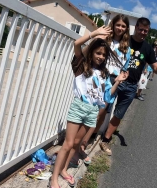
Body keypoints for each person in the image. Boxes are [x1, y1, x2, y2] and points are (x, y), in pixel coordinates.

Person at [49, 26, 128, 188]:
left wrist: (118, 81)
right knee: (68, 144)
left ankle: (64, 170)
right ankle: (54, 179)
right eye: (98, 53)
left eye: (104, 55)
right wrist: (94, 34)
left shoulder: (104, 73)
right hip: (79, 107)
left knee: (77, 143)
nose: (100, 56)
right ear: (91, 52)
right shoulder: (81, 66)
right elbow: (77, 44)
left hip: (92, 112)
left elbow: (107, 95)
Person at [99, 17, 157, 156]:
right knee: (104, 108)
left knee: (119, 114)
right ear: (136, 28)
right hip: (116, 80)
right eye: (141, 29)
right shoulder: (125, 40)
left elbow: (154, 67)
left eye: (146, 31)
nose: (143, 32)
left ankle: (105, 139)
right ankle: (92, 135)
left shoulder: (148, 48)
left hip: (131, 86)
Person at [76, 14, 131, 164]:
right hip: (97, 76)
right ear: (113, 25)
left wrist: (120, 79)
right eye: (118, 25)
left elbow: (124, 68)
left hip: (112, 80)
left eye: (123, 26)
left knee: (99, 115)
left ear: (126, 29)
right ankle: (75, 144)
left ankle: (82, 145)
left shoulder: (127, 49)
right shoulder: (104, 39)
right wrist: (96, 35)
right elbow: (87, 51)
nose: (120, 28)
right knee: (87, 111)